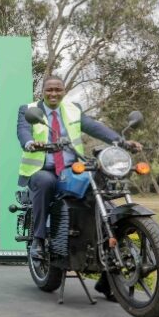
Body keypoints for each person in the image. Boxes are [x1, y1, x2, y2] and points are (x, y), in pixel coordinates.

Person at [17, 74, 142, 301]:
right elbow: (23, 131)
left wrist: (122, 141)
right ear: (42, 92)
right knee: (45, 183)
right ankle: (38, 240)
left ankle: (109, 275)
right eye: (49, 90)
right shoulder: (29, 109)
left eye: (58, 89)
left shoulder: (73, 109)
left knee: (101, 193)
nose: (54, 93)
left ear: (64, 91)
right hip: (42, 168)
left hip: (71, 166)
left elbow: (96, 128)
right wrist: (30, 143)